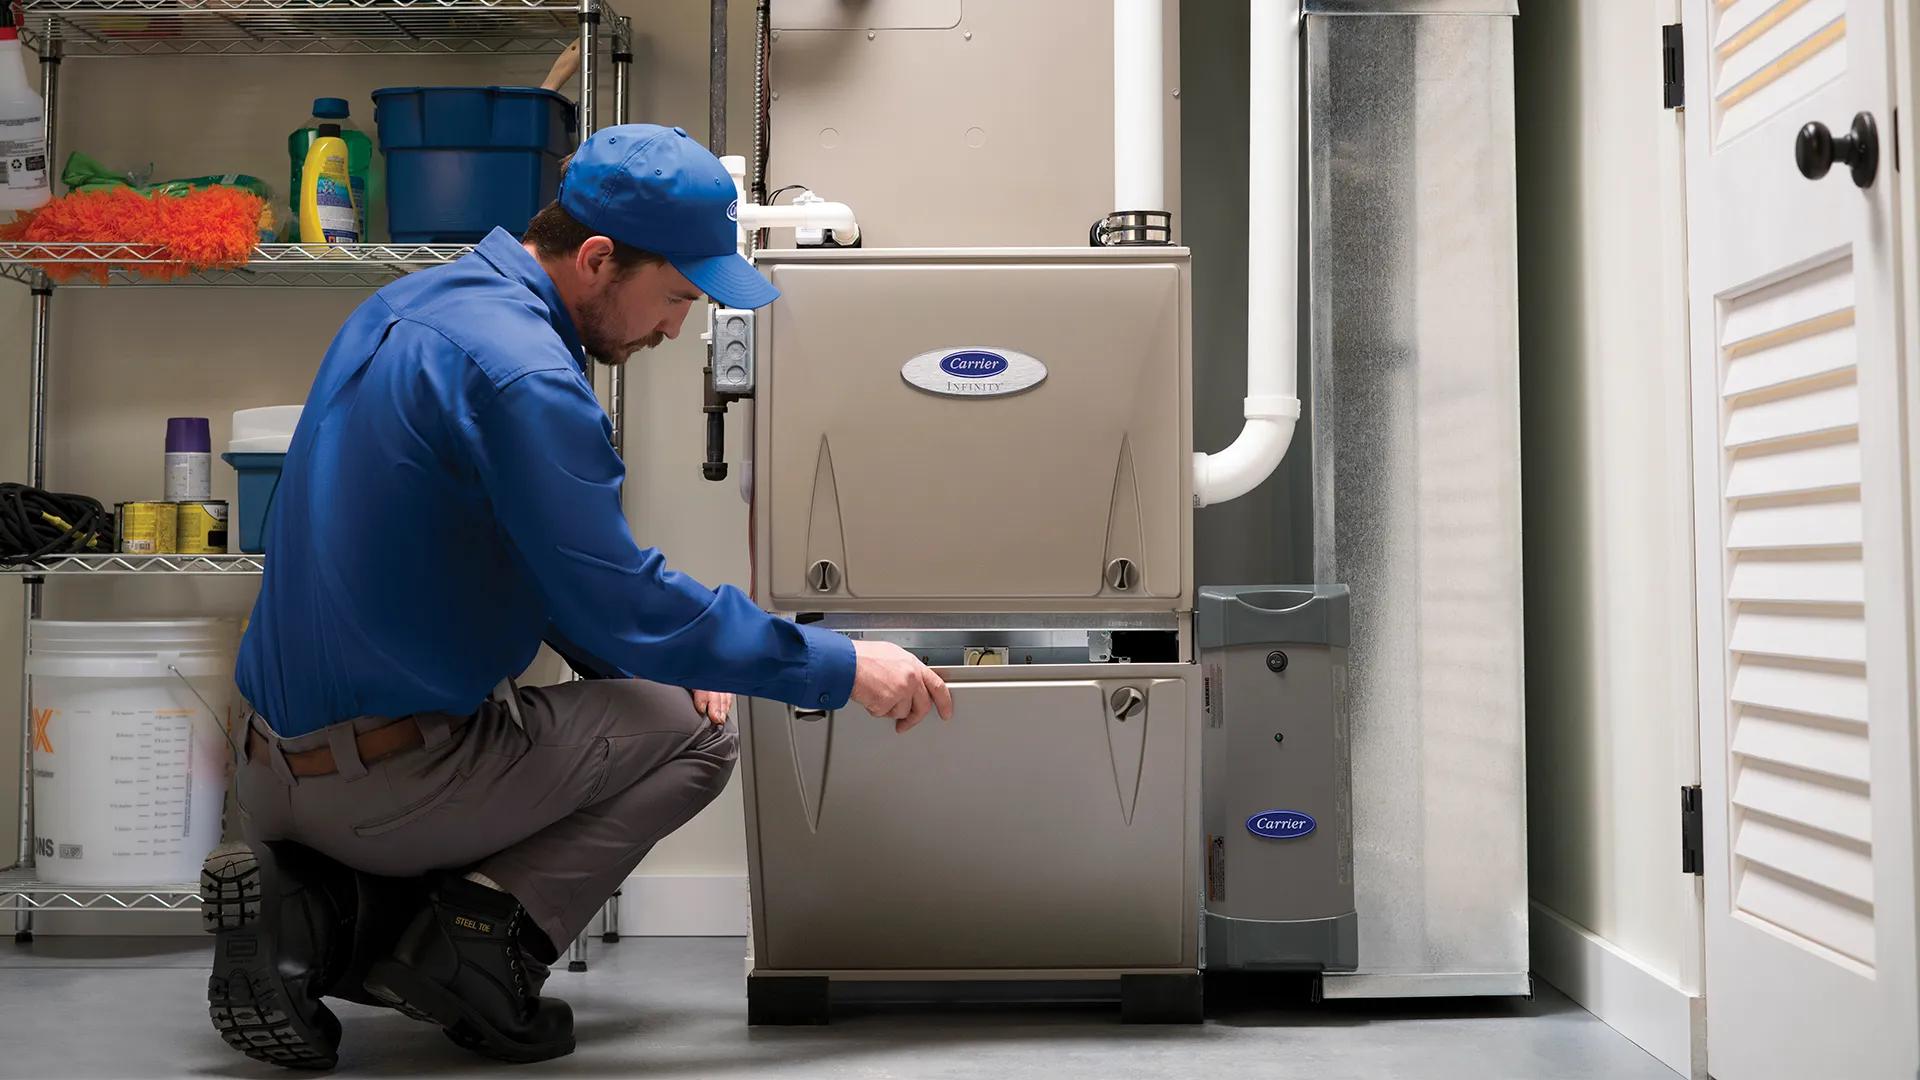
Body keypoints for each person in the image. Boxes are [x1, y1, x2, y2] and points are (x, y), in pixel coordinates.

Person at [205, 123, 952, 1069]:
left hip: (269, 772)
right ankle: (473, 951)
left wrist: (647, 655)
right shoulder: (530, 378)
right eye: (677, 297)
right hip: (387, 780)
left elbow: (537, 572)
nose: (679, 328)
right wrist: (842, 667)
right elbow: (628, 605)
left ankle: (317, 911)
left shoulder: (405, 306)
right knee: (698, 735)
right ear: (598, 259)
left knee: (651, 689)